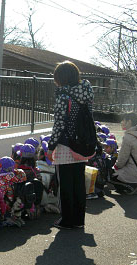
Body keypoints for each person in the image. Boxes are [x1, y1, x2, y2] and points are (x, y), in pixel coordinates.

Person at [46, 61, 95, 230]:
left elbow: (59, 124)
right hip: (81, 144)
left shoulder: (63, 96)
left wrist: (51, 146)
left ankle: (66, 220)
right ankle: (79, 219)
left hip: (66, 144)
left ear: (61, 77)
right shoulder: (87, 93)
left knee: (65, 184)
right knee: (78, 183)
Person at [110, 113, 137, 194]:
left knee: (109, 174)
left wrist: (114, 167)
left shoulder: (128, 137)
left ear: (129, 122)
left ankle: (131, 187)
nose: (121, 122)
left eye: (123, 120)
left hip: (133, 173)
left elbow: (122, 159)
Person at [0, 156, 27, 227]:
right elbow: (23, 176)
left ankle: (6, 218)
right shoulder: (18, 175)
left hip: (8, 204)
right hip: (17, 201)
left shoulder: (1, 180)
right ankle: (16, 217)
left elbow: (1, 196)